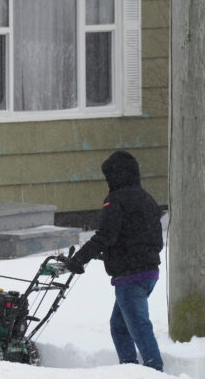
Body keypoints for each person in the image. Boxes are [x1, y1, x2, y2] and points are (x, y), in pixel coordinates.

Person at [64, 150, 164, 372]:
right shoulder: (147, 199)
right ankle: (128, 370)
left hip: (130, 276)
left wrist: (80, 258)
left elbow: (106, 235)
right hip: (149, 273)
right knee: (119, 326)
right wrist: (113, 254)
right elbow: (146, 238)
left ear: (116, 175)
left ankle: (155, 371)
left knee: (138, 326)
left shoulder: (116, 199)